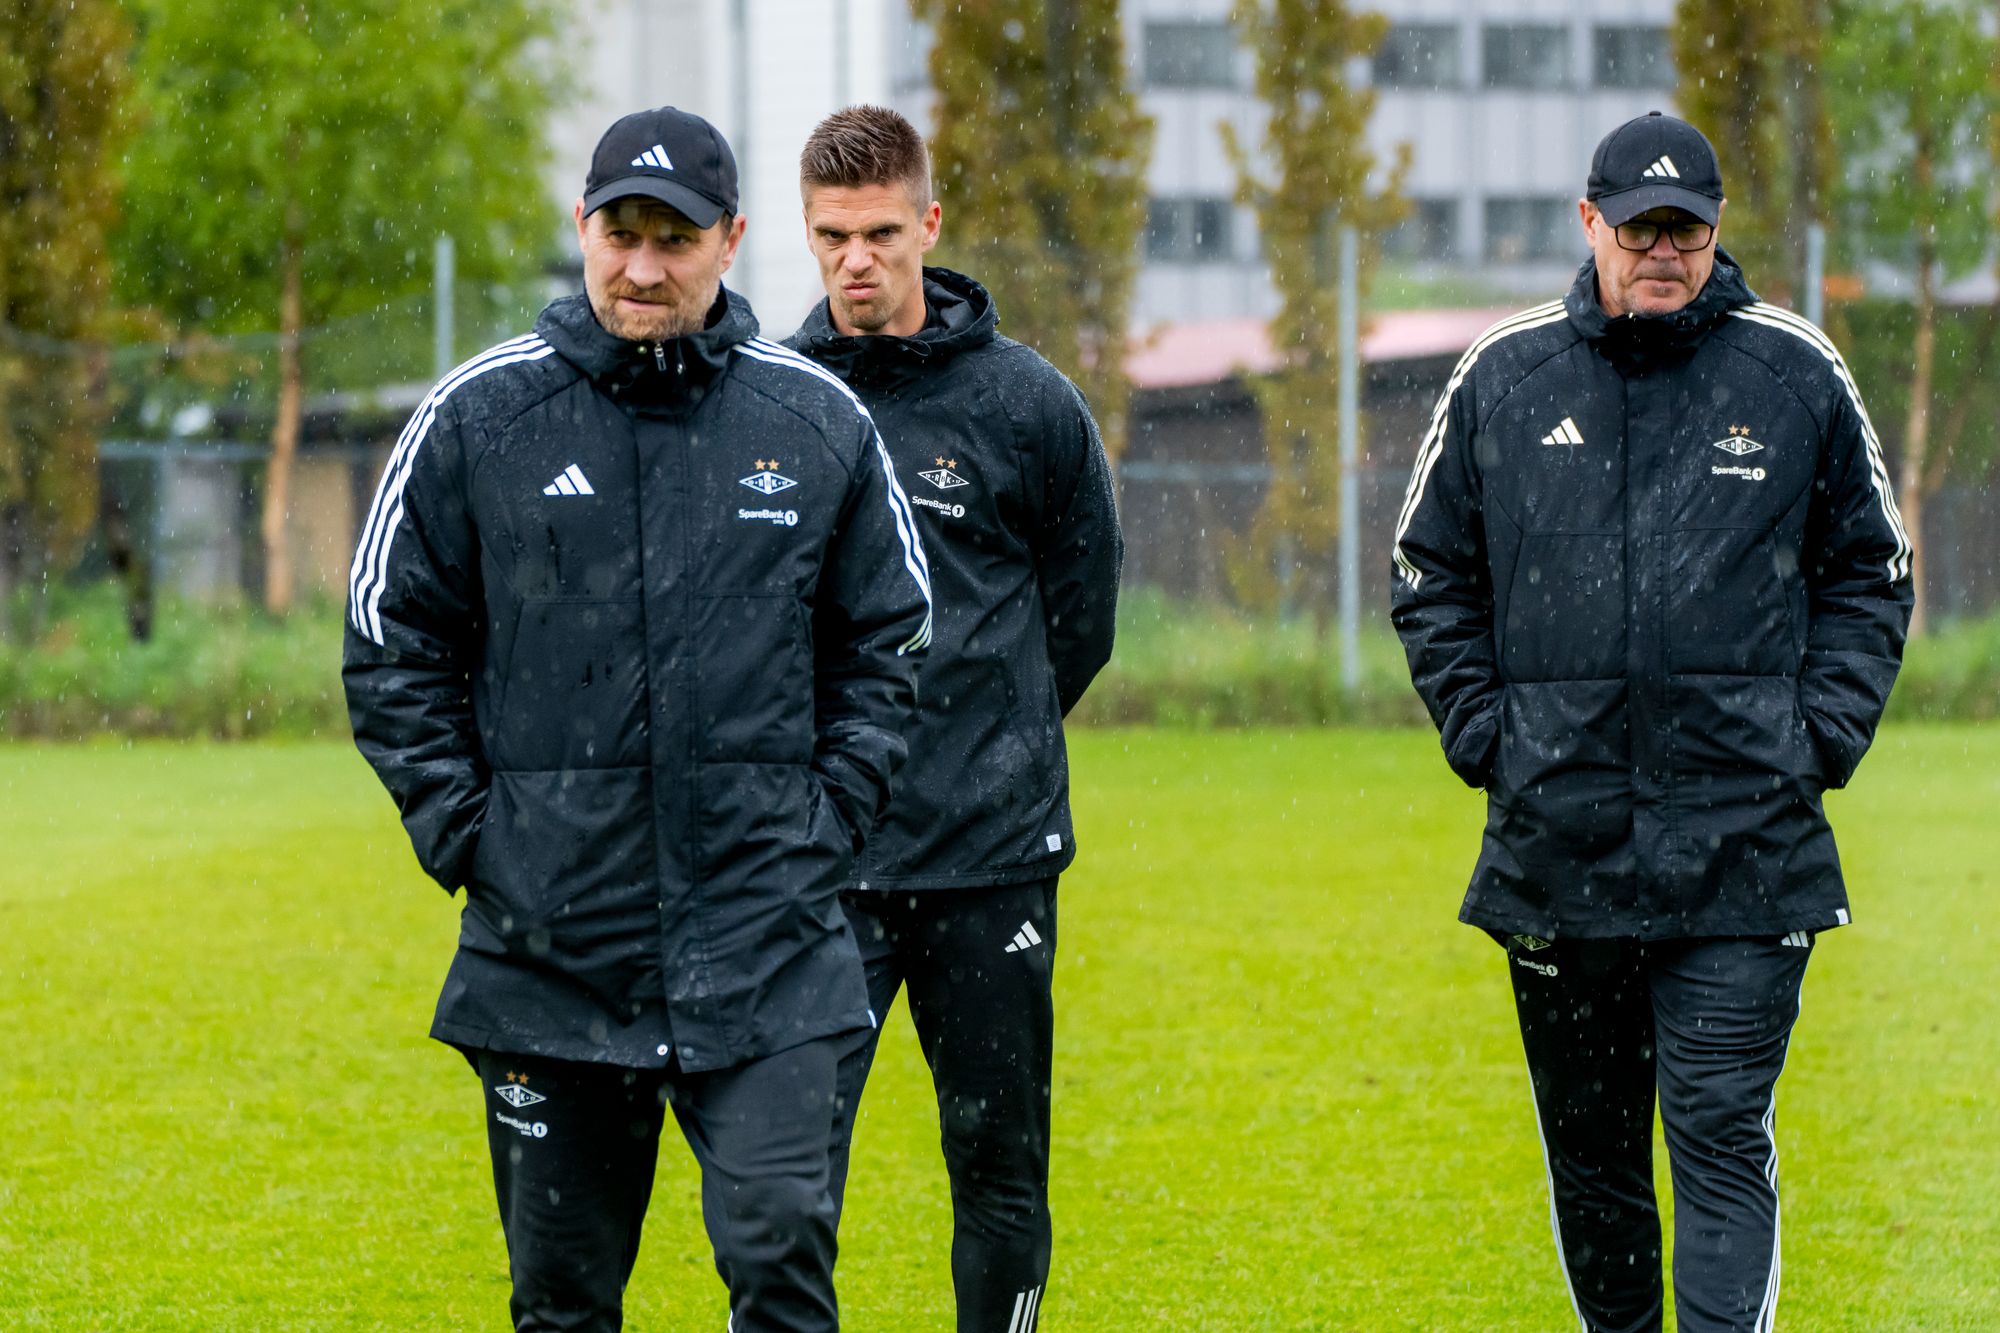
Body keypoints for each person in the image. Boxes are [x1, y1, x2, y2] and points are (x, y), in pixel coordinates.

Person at [342, 104, 933, 1333]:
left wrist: (820, 828)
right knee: (561, 1302)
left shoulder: (815, 420)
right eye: (622, 233)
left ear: (731, 240)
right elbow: (389, 639)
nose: (644, 265)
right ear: (584, 229)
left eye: (675, 237)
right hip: (551, 955)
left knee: (779, 1269)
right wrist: (476, 838)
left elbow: (893, 640)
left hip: (768, 942)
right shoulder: (480, 419)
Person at [1390, 111, 1911, 1333]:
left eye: (1681, 230)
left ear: (1714, 232)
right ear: (1589, 225)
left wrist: (1813, 738)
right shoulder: (1503, 378)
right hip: (1556, 850)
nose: (1659, 252)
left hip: (1747, 849)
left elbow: (1870, 572)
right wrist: (1490, 738)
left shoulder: (1792, 373)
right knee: (1595, 1161)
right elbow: (1427, 572)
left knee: (1720, 1137)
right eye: (1636, 229)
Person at [784, 105, 1122, 1333]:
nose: (855, 261)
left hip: (990, 859)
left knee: (995, 1171)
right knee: (785, 1181)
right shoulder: (775, 401)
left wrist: (991, 733)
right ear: (804, 234)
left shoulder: (1026, 405)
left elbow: (1077, 620)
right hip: (822, 861)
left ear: (927, 223)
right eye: (832, 236)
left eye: (879, 231)